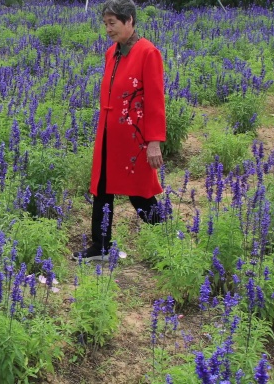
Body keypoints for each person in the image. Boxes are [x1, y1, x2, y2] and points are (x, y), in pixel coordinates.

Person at [73, 0, 166, 260]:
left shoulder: (149, 53)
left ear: (130, 21)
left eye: (112, 24)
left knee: (140, 194)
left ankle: (170, 239)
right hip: (108, 135)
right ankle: (100, 246)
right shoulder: (111, 52)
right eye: (105, 24)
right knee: (101, 189)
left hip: (134, 139)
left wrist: (154, 141)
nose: (108, 30)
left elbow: (156, 100)